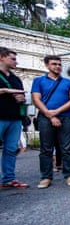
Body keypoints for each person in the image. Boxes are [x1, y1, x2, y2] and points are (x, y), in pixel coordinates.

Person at [31, 55, 70, 188]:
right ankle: (46, 177)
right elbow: (36, 99)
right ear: (47, 65)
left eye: (59, 64)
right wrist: (50, 115)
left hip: (65, 117)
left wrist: (55, 112)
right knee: (46, 148)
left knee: (67, 147)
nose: (57, 66)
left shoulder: (69, 83)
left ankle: (68, 175)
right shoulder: (38, 81)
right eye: (54, 64)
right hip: (45, 117)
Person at [0, 47, 29, 189]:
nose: (16, 62)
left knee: (11, 149)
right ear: (2, 57)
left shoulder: (15, 79)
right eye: (12, 59)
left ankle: (8, 179)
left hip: (14, 118)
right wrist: (5, 91)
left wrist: (21, 98)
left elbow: (21, 96)